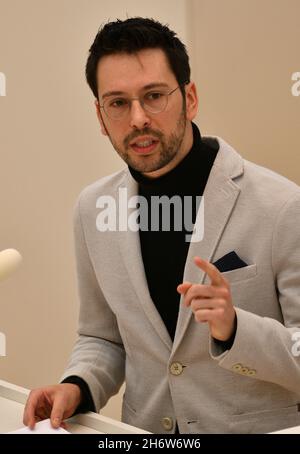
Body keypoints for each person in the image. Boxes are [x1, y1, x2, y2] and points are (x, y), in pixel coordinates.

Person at [23, 17, 300, 434]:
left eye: (154, 96)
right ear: (100, 116)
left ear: (190, 98)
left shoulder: (282, 205)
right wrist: (77, 385)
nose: (138, 119)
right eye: (117, 103)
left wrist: (235, 328)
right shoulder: (92, 209)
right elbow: (102, 338)